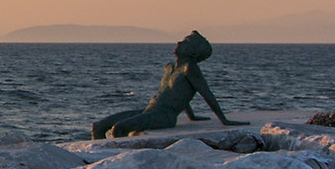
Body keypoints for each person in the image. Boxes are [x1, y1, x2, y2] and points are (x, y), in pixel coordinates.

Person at [91, 32, 234, 138]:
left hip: (165, 116)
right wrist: (192, 116)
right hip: (150, 109)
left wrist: (224, 120)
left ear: (193, 52)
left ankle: (116, 162)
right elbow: (178, 94)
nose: (179, 42)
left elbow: (206, 94)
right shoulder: (170, 68)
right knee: (98, 126)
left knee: (120, 128)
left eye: (186, 42)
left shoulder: (190, 68)